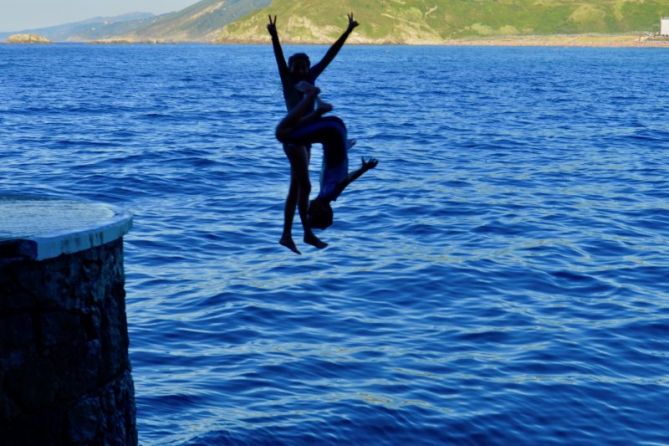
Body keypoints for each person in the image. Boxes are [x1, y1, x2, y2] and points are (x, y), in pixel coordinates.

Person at [267, 13, 358, 254]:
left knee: (297, 187)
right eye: (296, 66)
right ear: (290, 68)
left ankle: (289, 235)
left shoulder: (310, 77)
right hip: (295, 137)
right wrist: (274, 36)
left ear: (307, 68)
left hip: (304, 138)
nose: (300, 70)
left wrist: (347, 31)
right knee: (302, 187)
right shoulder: (288, 80)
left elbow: (330, 55)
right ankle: (302, 233)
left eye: (303, 66)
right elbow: (278, 58)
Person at [276, 82, 378, 234]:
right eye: (312, 214)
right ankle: (313, 97)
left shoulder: (327, 192)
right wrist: (364, 169)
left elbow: (342, 172)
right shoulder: (329, 193)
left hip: (337, 131)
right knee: (283, 134)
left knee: (293, 135)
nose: (308, 211)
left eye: (308, 215)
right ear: (323, 210)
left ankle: (317, 102)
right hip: (332, 132)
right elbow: (346, 180)